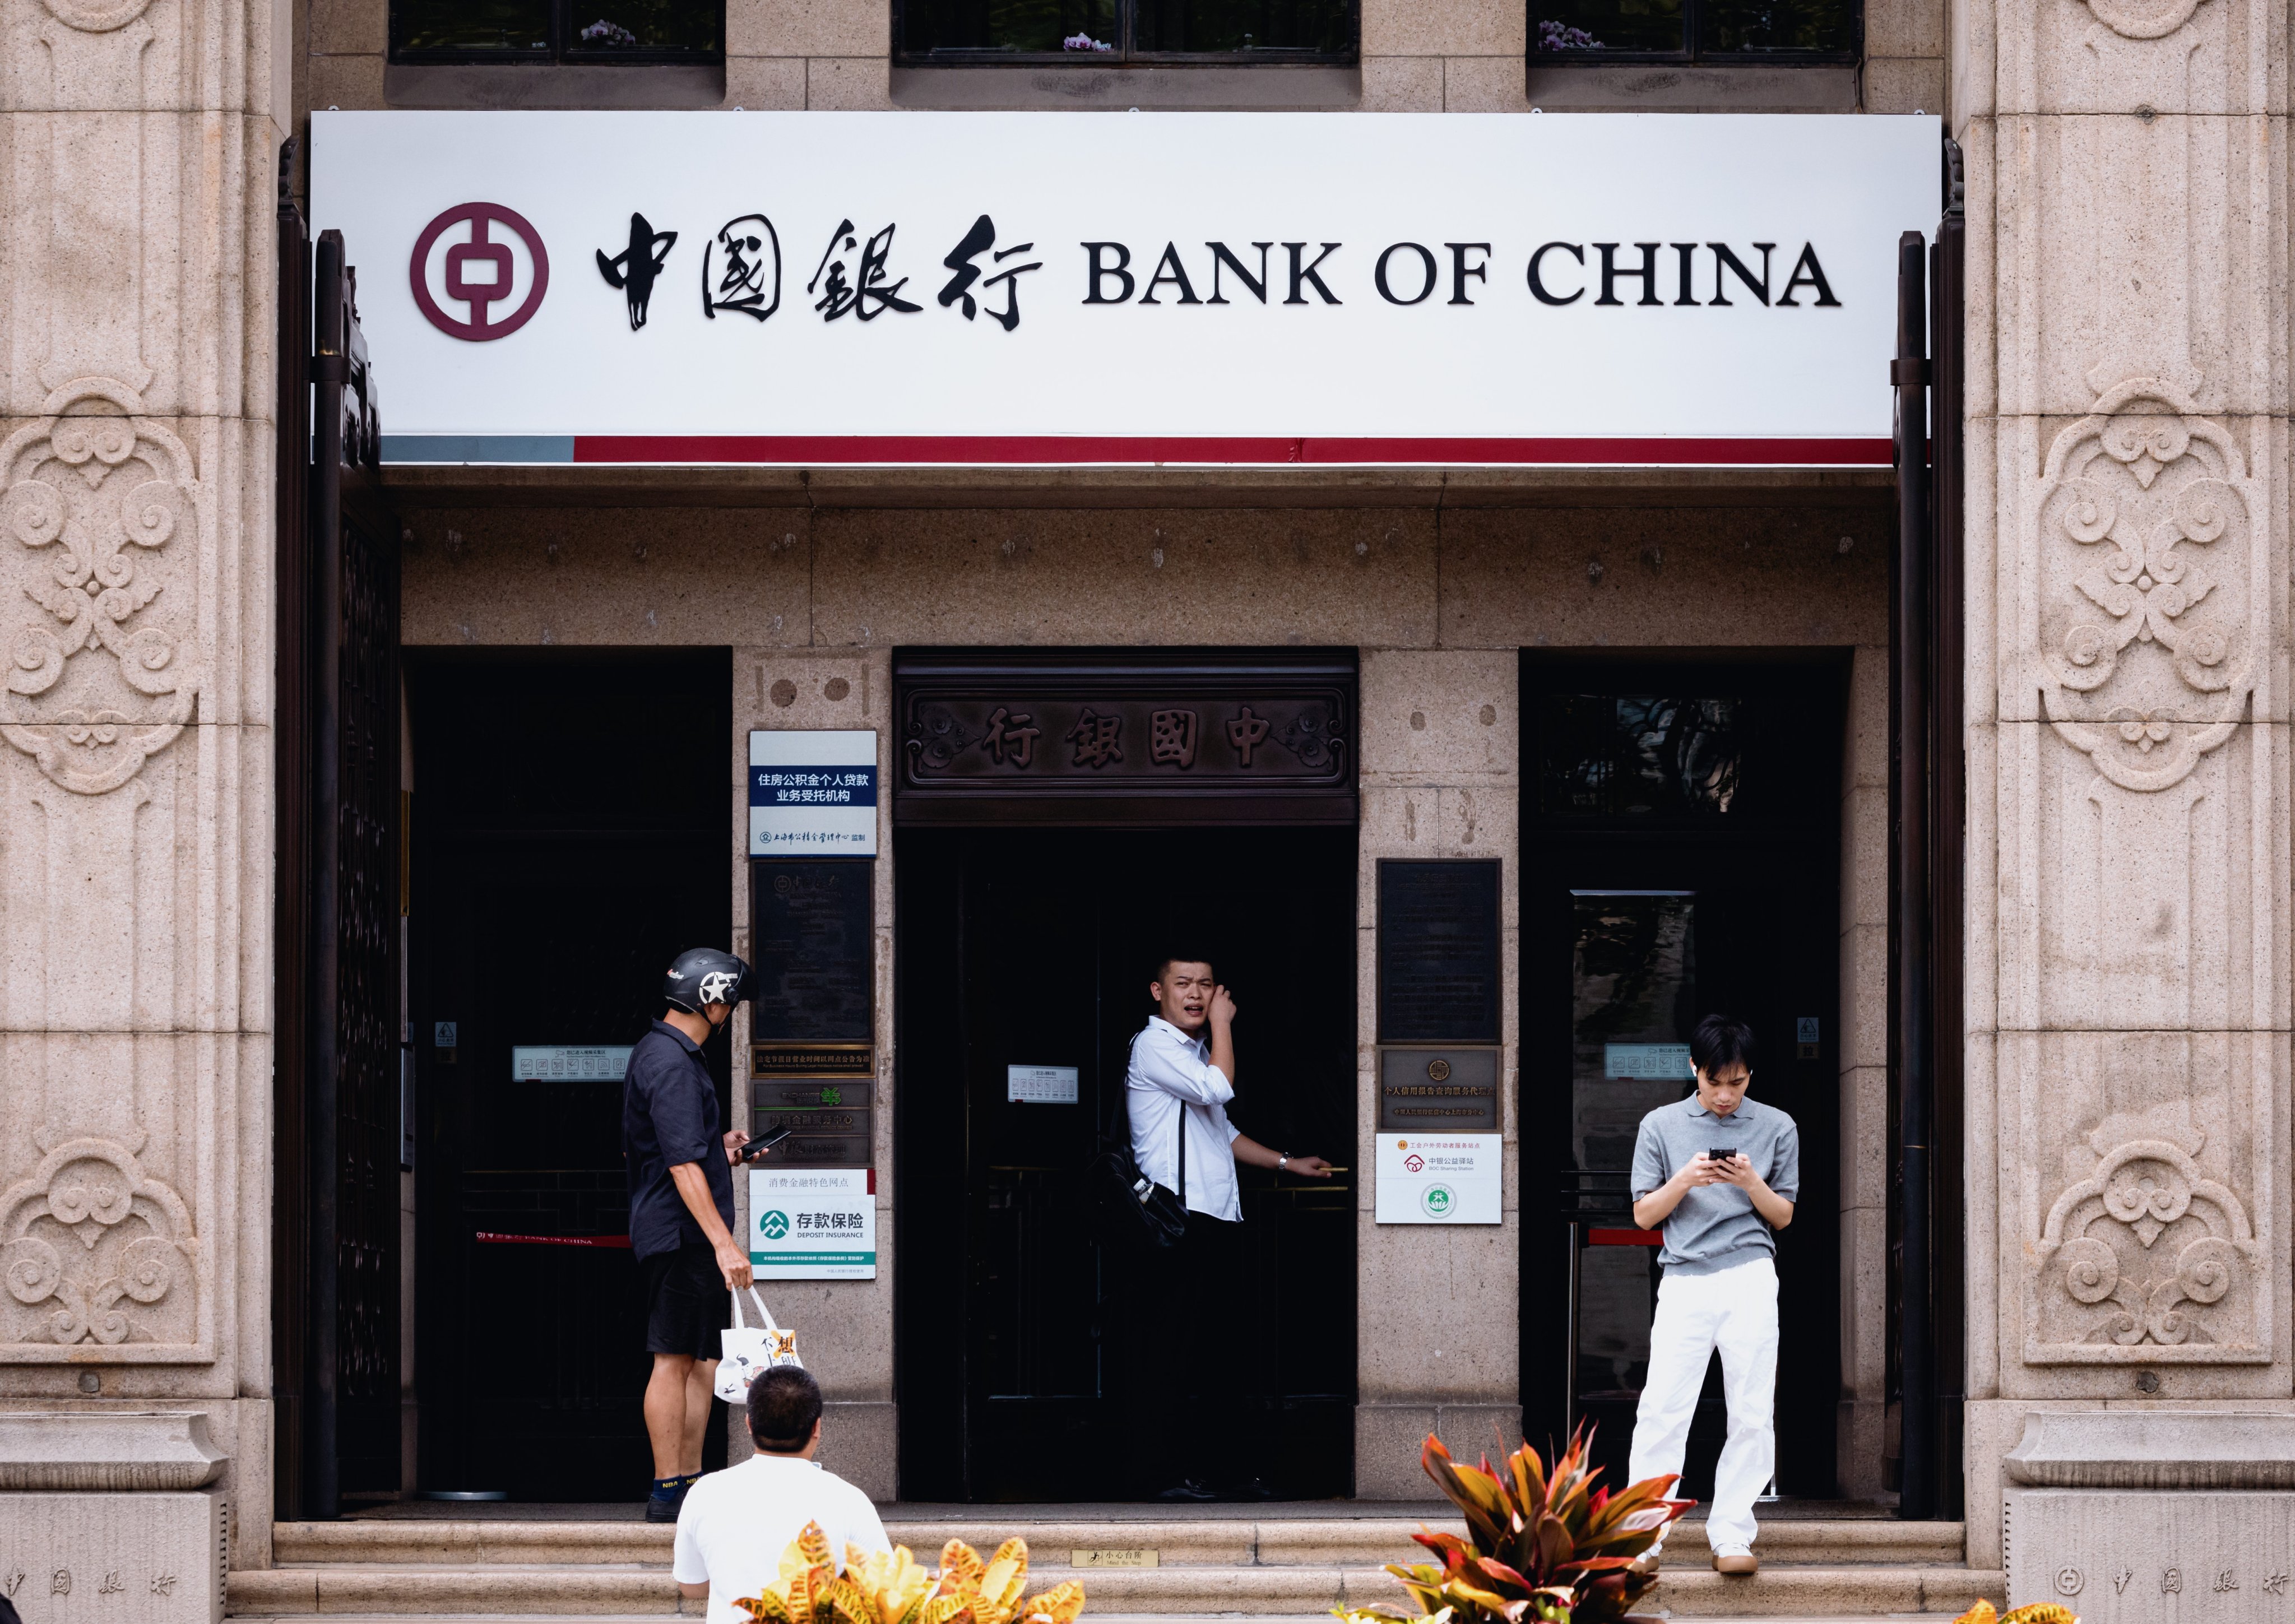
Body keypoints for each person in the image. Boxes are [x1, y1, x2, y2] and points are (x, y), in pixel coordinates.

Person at [1127, 951, 1334, 1501]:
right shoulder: (1154, 1046)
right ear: (1157, 991)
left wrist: (1290, 1163)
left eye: (1206, 985)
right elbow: (1219, 1090)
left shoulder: (1192, 1053)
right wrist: (1223, 1025)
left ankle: (1220, 1473)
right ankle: (1161, 1477)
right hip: (1176, 1222)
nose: (1196, 994)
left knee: (1218, 1353)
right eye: (1184, 984)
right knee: (1172, 1352)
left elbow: (1225, 1132)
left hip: (1213, 1220)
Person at [1624, 1013, 1799, 1577]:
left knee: (1751, 1410)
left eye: (1738, 1082)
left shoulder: (1777, 1127)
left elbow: (1784, 1216)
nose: (1725, 1096)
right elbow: (1645, 1215)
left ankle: (1731, 1533)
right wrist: (1684, 1180)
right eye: (1715, 1082)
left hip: (1749, 1273)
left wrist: (1751, 1183)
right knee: (1662, 1411)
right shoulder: (1660, 1125)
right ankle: (1642, 1539)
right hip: (1684, 1279)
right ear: (1693, 1069)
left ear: (1751, 1076)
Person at [624, 946, 758, 1523]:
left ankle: (690, 1483)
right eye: (730, 1001)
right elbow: (679, 1167)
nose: (730, 1013)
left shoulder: (666, 1055)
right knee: (674, 1359)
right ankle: (669, 1487)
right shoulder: (674, 1063)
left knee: (700, 1360)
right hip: (682, 1235)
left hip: (683, 1232)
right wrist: (724, 1243)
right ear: (712, 1000)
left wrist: (718, 1152)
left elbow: (682, 1154)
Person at [674, 1365, 891, 1623]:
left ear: (749, 1424)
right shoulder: (849, 1500)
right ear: (816, 1428)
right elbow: (885, 1588)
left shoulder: (705, 1493)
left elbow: (692, 1586)